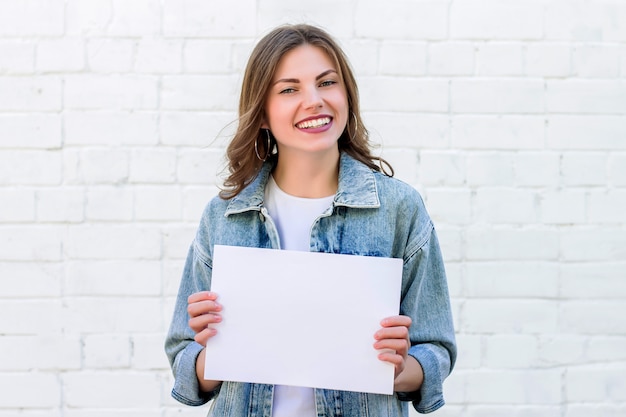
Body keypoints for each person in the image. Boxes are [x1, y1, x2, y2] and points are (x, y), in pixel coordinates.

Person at [165, 23, 456, 416]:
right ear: (263, 113)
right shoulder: (224, 215)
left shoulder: (399, 208)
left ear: (346, 94)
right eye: (289, 89)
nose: (314, 100)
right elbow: (186, 359)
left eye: (327, 83)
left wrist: (401, 368)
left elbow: (435, 349)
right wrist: (213, 351)